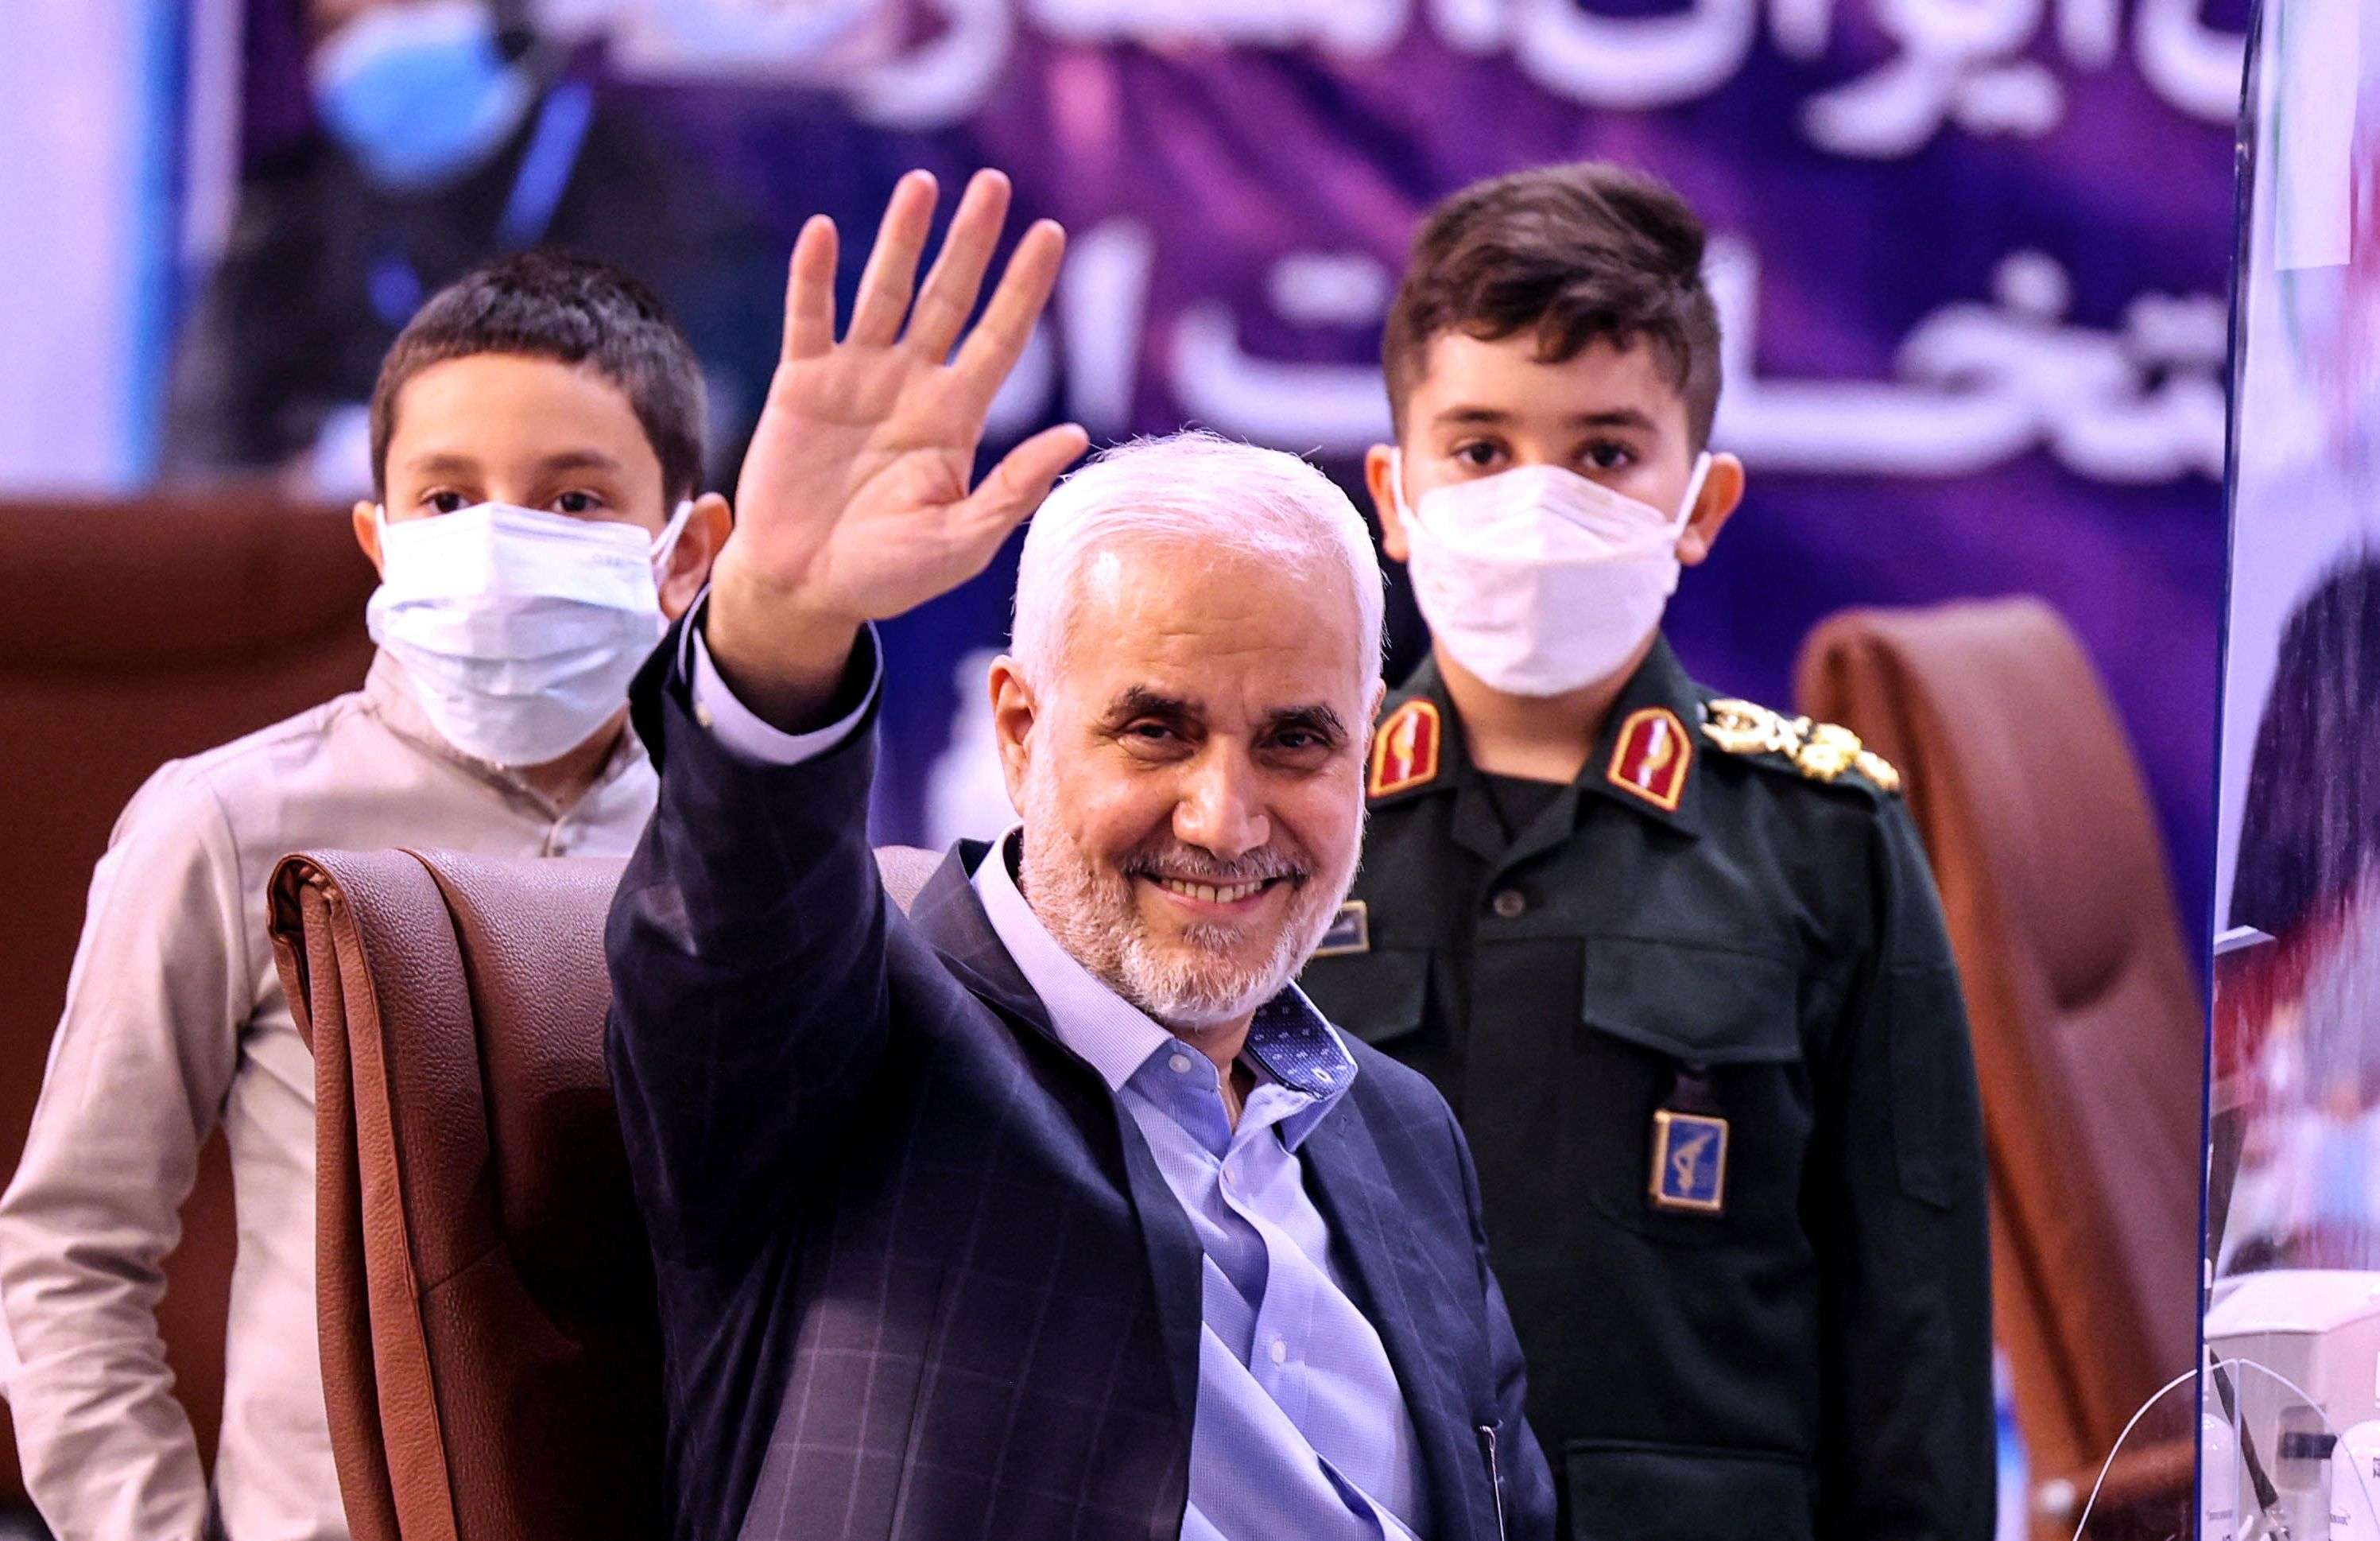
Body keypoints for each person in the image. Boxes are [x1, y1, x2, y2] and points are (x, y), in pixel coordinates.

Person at [606, 167, 1556, 1541]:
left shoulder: (1402, 1134)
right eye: (1155, 730)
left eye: (1295, 741)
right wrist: (778, 620)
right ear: (1018, 729)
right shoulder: (847, 1045)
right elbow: (734, 905)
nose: (1224, 819)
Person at [1293, 161, 1994, 1540]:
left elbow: (1912, 1331)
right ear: (1393, 493)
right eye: (1478, 449)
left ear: (1702, 502)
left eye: (1605, 454)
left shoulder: (1820, 839)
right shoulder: (1288, 816)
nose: (1536, 500)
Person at [0, 251, 730, 1541]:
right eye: (445, 499)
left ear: (686, 548)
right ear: (379, 541)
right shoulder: (228, 822)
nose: (497, 546)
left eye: (573, 500)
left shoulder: (742, 847)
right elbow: (67, 1251)